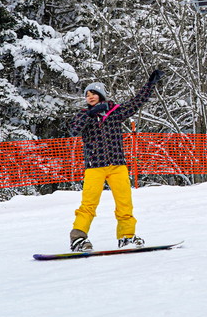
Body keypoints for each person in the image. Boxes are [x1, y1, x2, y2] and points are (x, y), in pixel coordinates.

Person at [67, 69, 164, 252]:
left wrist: (150, 85)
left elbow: (136, 102)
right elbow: (73, 130)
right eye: (87, 95)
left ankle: (126, 237)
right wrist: (90, 114)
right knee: (88, 205)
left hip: (118, 166)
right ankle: (78, 239)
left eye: (93, 93)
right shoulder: (83, 115)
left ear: (101, 95)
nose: (90, 97)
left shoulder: (115, 113)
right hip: (94, 167)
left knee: (124, 203)